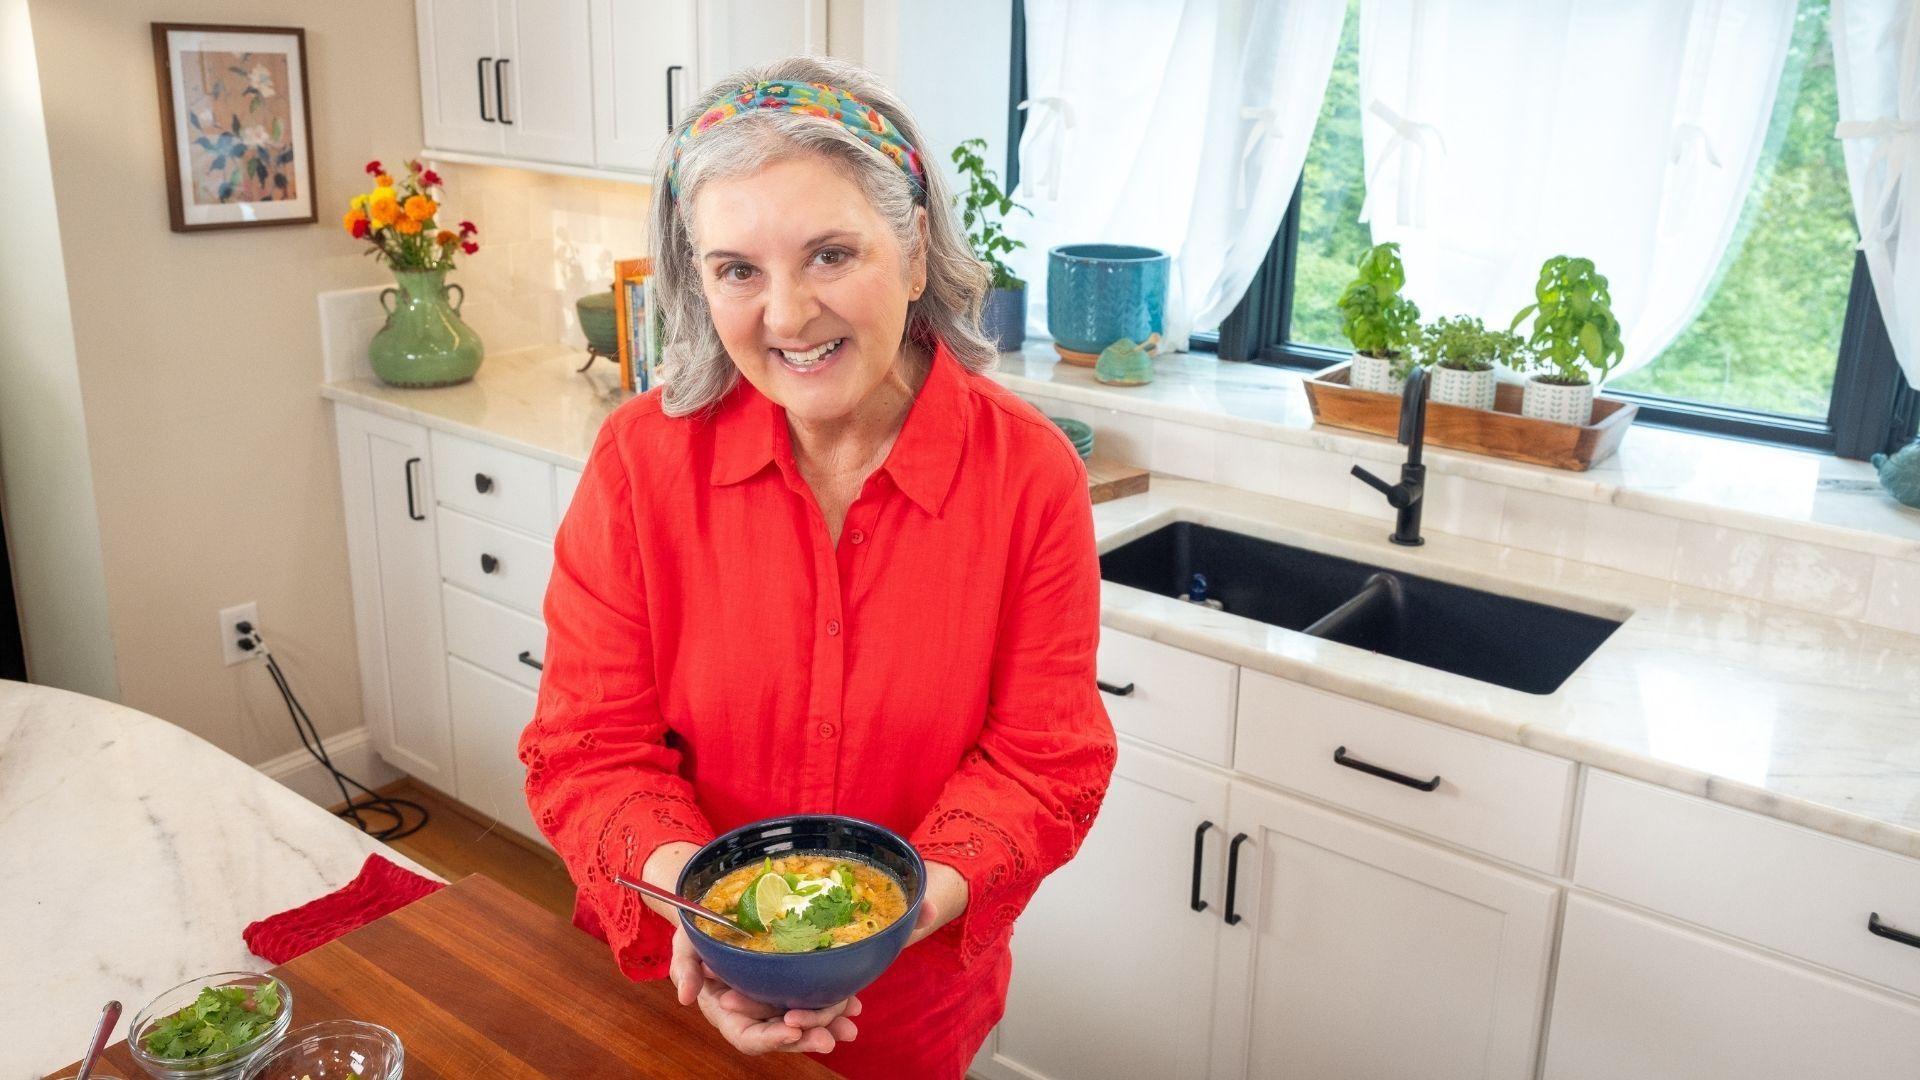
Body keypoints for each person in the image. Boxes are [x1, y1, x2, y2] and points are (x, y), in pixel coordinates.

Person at [520, 54, 1116, 1079]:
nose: (787, 317)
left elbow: (1043, 763)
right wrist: (720, 933)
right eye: (736, 269)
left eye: (831, 254)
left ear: (917, 249)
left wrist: (874, 925)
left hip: (909, 1010)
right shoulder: (640, 462)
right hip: (672, 993)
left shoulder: (1027, 477)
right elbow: (589, 749)